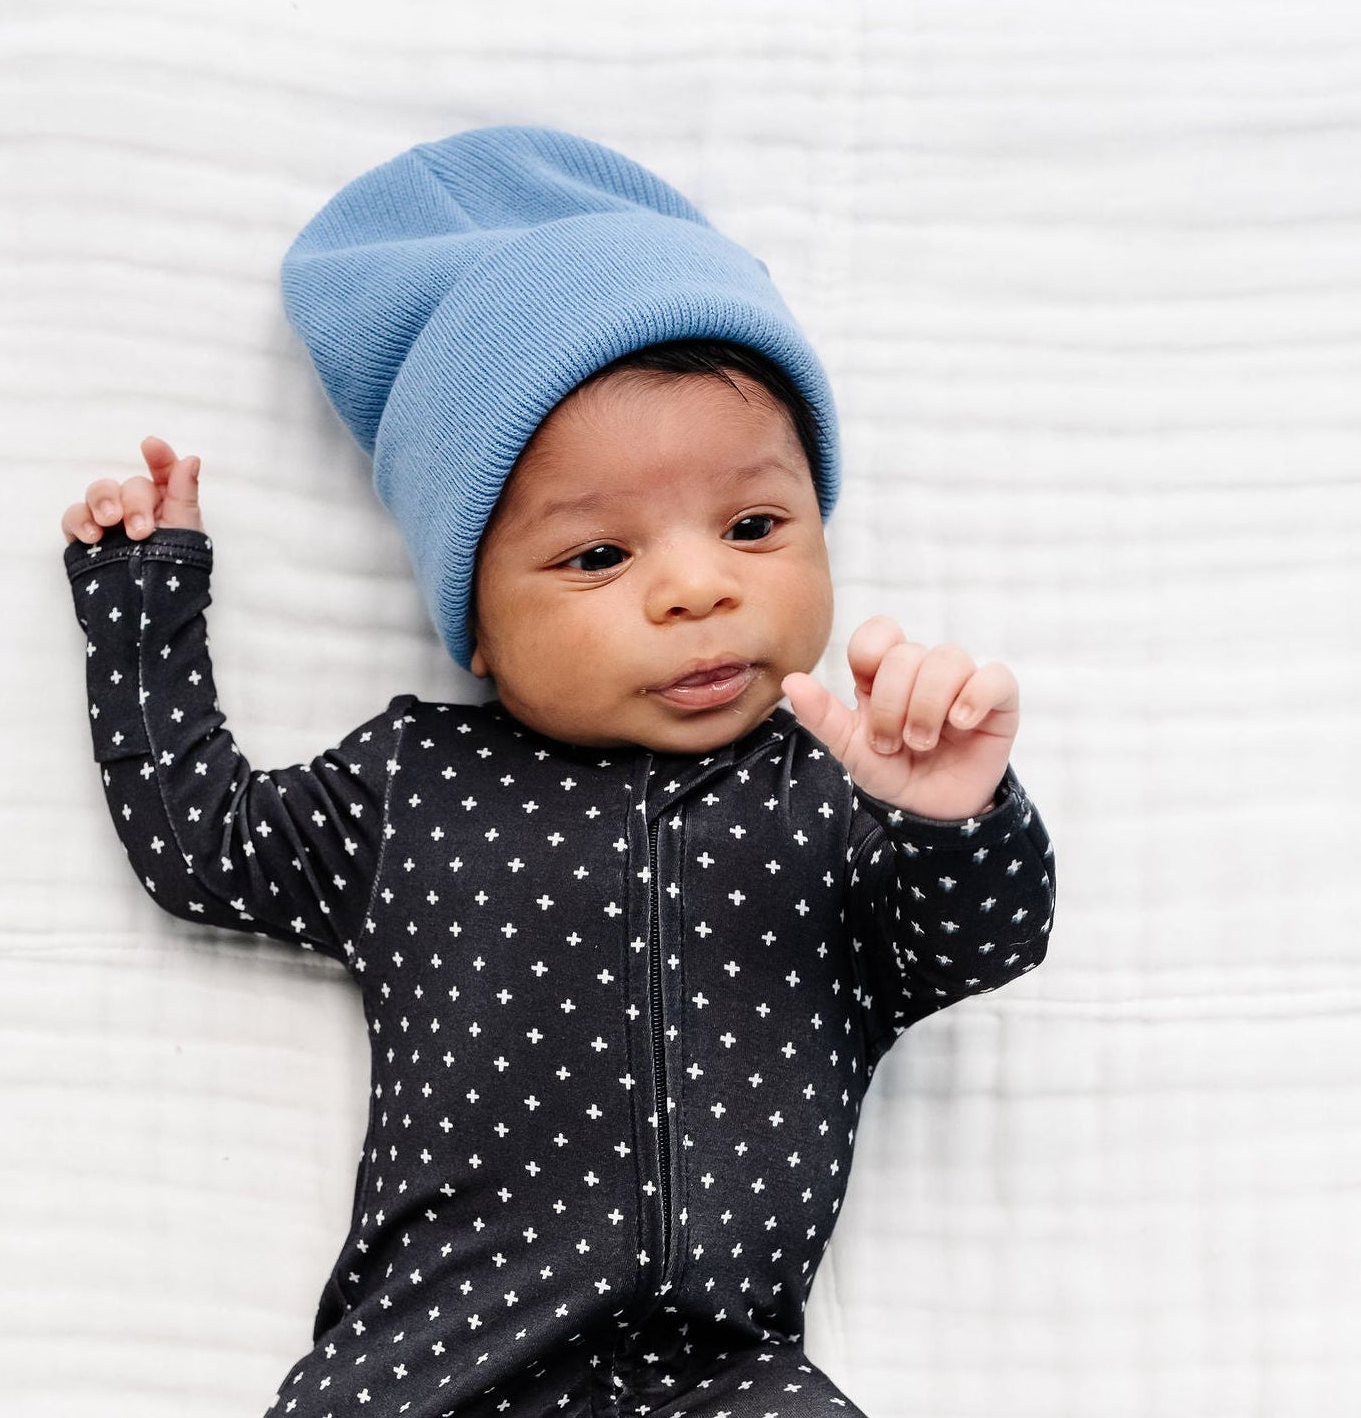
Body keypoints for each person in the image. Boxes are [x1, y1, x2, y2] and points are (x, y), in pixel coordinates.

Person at [60, 127, 1055, 1418]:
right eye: (598, 556)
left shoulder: (836, 797)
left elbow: (972, 944)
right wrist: (143, 604)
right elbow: (206, 844)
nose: (696, 588)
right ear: (475, 620)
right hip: (429, 1360)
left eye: (754, 525)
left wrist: (951, 809)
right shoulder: (415, 787)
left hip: (720, 1372)